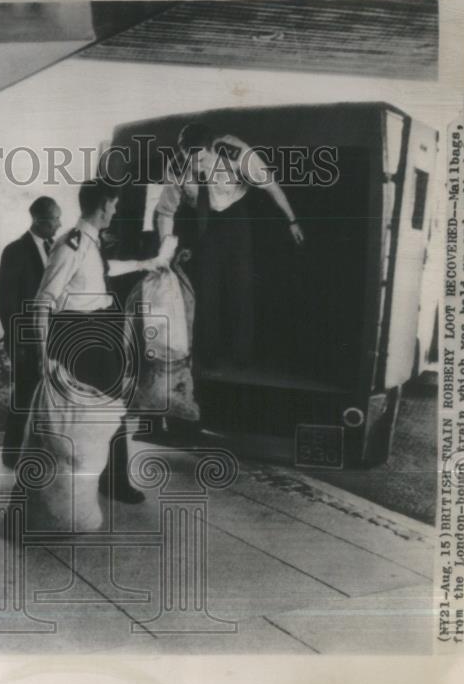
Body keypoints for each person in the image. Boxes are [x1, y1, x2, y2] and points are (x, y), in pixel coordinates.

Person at [28, 180, 170, 509]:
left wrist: (145, 265)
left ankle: (100, 480)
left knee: (103, 412)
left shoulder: (88, 243)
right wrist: (42, 352)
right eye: (114, 206)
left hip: (96, 332)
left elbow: (102, 272)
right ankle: (111, 482)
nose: (115, 211)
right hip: (81, 336)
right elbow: (43, 300)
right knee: (103, 411)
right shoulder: (71, 246)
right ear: (103, 206)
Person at [154, 122, 304, 368]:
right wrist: (164, 252)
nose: (196, 166)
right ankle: (209, 356)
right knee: (206, 285)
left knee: (239, 283)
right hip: (202, 219)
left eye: (201, 160)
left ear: (211, 148)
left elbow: (270, 185)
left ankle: (241, 357)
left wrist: (292, 220)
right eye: (191, 160)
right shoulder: (178, 167)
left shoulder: (233, 150)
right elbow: (165, 212)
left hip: (234, 214)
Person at [0, 196, 61, 468]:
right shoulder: (15, 251)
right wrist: (19, 344)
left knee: (50, 396)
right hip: (26, 341)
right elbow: (6, 302)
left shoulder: (56, 249)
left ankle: (43, 451)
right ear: (37, 220)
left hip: (51, 337)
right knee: (24, 395)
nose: (59, 225)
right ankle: (11, 455)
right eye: (54, 220)